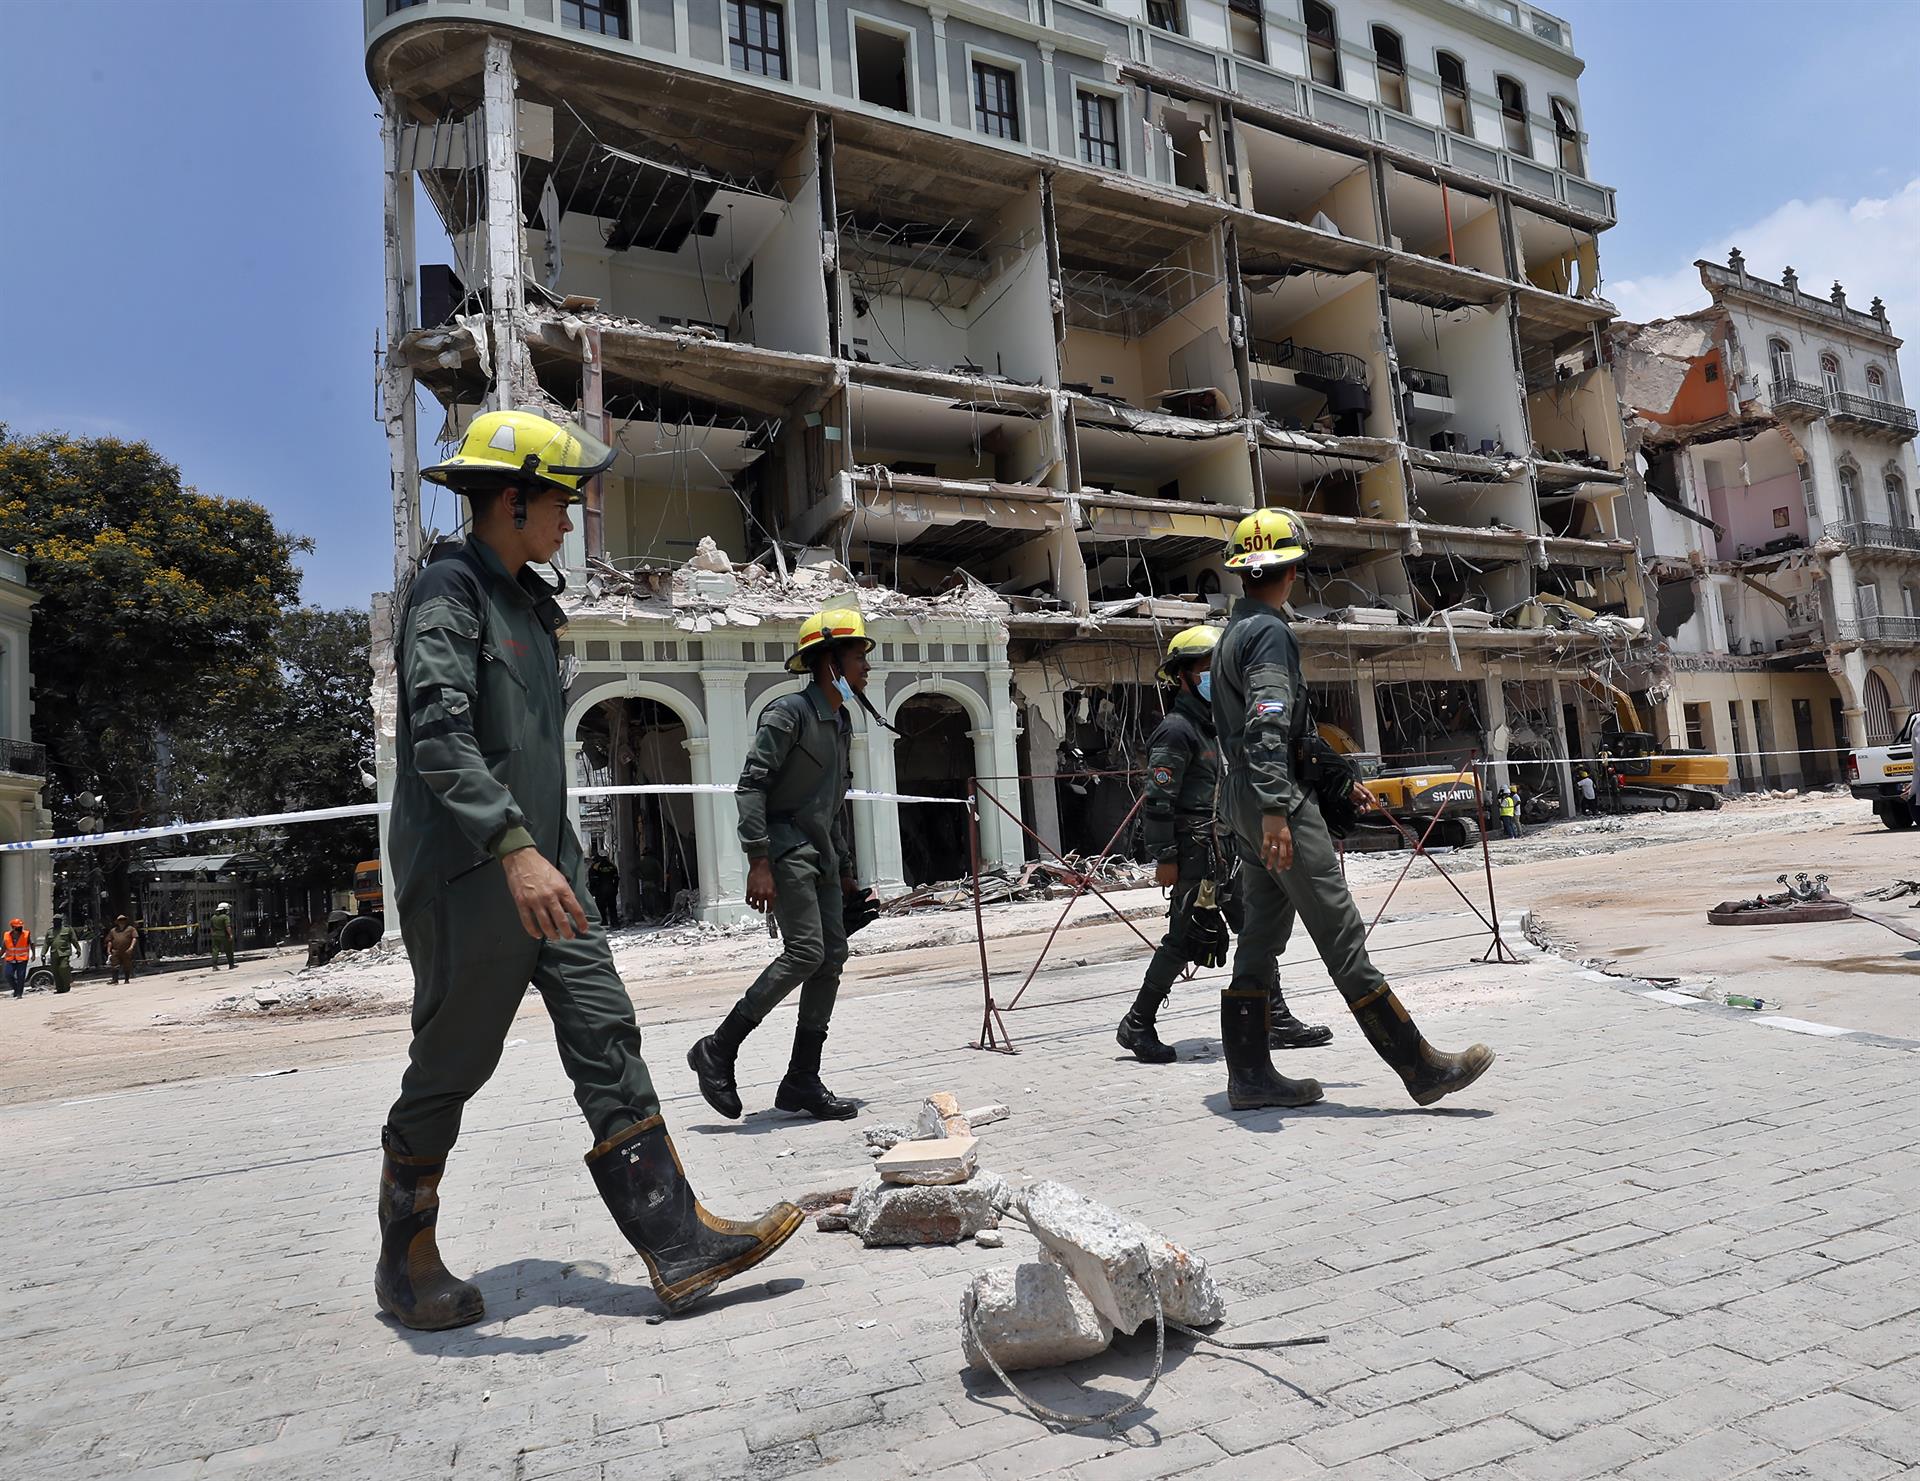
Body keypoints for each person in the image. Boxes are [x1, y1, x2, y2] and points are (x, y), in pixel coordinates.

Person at [377, 408, 801, 1331]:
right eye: (560, 501)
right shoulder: (450, 592)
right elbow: (440, 739)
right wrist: (512, 848)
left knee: (607, 1028)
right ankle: (405, 1260)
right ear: (513, 499)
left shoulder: (530, 604)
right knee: (453, 1061)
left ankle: (678, 1241)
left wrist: (547, 851)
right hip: (472, 870)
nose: (570, 519)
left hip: (547, 861)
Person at [1212, 508, 1496, 1111]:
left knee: (1260, 935)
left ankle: (1250, 1078)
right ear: (1294, 570)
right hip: (1274, 797)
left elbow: (1276, 732)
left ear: (1241, 572)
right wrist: (1276, 808)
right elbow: (1268, 722)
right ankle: (1420, 1067)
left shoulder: (1231, 634)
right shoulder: (1269, 634)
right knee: (1339, 930)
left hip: (1241, 792)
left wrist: (1332, 780)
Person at [688, 606, 873, 1122]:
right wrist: (758, 862)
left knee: (831, 957)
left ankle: (801, 1080)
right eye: (858, 656)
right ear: (830, 662)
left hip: (823, 855)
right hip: (786, 850)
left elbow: (833, 801)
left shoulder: (840, 720)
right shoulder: (788, 713)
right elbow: (752, 787)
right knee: (806, 952)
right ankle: (718, 1048)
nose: (866, 667)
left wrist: (846, 869)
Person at [1117, 625, 1329, 1064]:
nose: (1217, 678)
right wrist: (1165, 858)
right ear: (1183, 676)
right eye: (1207, 669)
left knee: (1256, 930)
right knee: (1183, 939)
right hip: (1193, 853)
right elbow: (1158, 801)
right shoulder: (1176, 731)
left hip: (1227, 851)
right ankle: (1138, 1022)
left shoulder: (1219, 728)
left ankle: (1276, 1018)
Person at [42, 915, 77, 995]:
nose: (56, 922)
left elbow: (74, 940)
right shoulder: (50, 932)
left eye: (57, 921)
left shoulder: (67, 929)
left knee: (63, 968)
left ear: (61, 921)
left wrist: (78, 949)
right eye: (55, 921)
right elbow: (46, 944)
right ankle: (59, 988)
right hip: (54, 953)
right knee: (55, 971)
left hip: (64, 952)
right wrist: (43, 953)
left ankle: (66, 985)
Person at [587, 848, 620, 930]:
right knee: (612, 907)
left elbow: (592, 879)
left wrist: (592, 890)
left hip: (600, 890)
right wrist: (615, 888)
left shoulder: (595, 866)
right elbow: (616, 878)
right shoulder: (612, 866)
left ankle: (604, 923)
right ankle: (615, 923)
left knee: (601, 908)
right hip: (611, 889)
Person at [106, 915, 139, 984]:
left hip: (126, 950)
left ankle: (126, 979)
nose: (122, 921)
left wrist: (131, 947)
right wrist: (108, 949)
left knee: (127, 965)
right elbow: (110, 940)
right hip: (116, 950)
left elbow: (134, 938)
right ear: (117, 922)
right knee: (114, 965)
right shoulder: (113, 930)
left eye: (123, 920)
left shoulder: (131, 929)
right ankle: (115, 980)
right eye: (120, 920)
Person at [2, 918, 28, 998]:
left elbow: (32, 943)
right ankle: (16, 989)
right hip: (10, 959)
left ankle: (19, 993)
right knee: (8, 975)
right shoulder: (7, 935)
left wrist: (33, 954)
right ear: (13, 927)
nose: (20, 928)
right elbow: (4, 947)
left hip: (22, 959)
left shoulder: (26, 934)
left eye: (20, 927)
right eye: (18, 927)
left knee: (21, 977)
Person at [208, 901, 237, 971]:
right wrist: (230, 934)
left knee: (215, 951)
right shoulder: (225, 917)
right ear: (223, 910)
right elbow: (228, 927)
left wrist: (213, 934)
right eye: (227, 909)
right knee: (229, 950)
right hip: (224, 935)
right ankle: (231, 965)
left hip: (215, 936)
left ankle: (214, 966)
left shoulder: (213, 917)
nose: (227, 911)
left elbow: (211, 927)